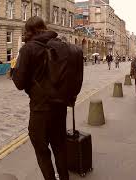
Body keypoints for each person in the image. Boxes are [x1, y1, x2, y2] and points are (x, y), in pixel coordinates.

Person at [12, 17, 83, 180]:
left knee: (42, 150)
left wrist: (15, 67)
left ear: (28, 31)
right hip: (59, 106)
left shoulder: (28, 49)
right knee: (59, 147)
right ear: (44, 27)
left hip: (40, 109)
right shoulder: (60, 45)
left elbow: (19, 83)